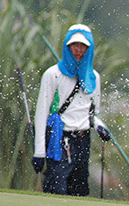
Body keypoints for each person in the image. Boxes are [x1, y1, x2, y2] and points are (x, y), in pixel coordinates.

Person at [31, 24, 110, 196]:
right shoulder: (52, 74)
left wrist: (99, 126)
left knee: (79, 192)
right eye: (75, 45)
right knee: (55, 189)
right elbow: (41, 114)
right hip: (59, 139)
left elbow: (92, 113)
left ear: (90, 48)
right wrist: (39, 152)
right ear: (68, 46)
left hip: (83, 141)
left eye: (83, 46)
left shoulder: (93, 77)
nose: (79, 50)